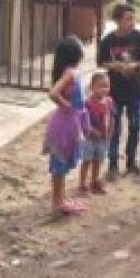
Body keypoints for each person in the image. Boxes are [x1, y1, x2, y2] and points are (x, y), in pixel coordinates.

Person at [98, 2, 140, 178]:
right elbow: (101, 62)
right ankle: (112, 164)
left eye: (133, 18)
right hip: (115, 91)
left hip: (134, 90)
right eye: (128, 19)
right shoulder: (108, 40)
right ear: (118, 20)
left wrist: (133, 65)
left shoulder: (139, 37)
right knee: (114, 127)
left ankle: (131, 161)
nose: (132, 22)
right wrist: (116, 66)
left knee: (134, 126)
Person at [45, 36, 88, 215]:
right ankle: (57, 202)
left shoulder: (71, 72)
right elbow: (53, 93)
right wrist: (67, 106)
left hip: (68, 123)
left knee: (63, 165)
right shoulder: (70, 73)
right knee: (59, 165)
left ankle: (62, 199)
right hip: (64, 124)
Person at [79, 71, 114, 196]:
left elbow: (111, 117)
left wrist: (110, 132)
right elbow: (83, 120)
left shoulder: (109, 101)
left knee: (98, 161)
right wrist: (92, 131)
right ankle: (82, 185)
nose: (104, 89)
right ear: (92, 87)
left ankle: (94, 182)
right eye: (101, 86)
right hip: (90, 138)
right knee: (87, 160)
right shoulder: (88, 103)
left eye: (107, 86)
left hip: (103, 138)